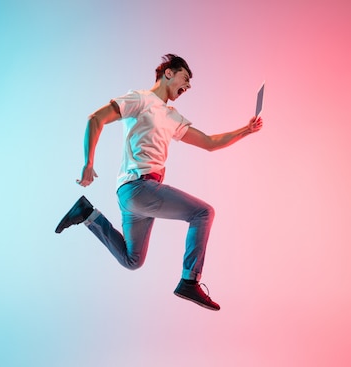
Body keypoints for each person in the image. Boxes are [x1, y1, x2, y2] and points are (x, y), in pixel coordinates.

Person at [55, 54, 263, 311]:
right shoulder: (141, 99)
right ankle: (189, 281)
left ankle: (88, 214)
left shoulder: (172, 116)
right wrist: (88, 163)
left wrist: (246, 130)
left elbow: (210, 143)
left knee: (133, 260)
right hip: (139, 189)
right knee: (203, 213)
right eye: (185, 79)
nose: (187, 87)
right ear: (168, 73)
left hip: (133, 198)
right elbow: (95, 119)